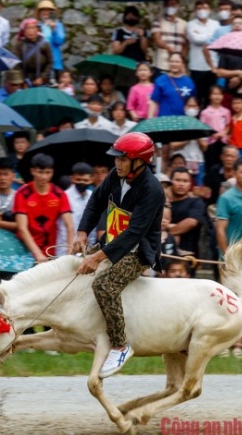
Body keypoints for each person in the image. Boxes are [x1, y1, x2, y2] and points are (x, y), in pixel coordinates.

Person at [72, 132, 166, 378]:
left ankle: (120, 345)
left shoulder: (153, 190)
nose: (117, 163)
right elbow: (95, 202)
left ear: (139, 161)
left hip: (138, 251)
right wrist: (82, 232)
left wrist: (97, 257)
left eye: (123, 159)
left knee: (104, 285)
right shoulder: (116, 175)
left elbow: (134, 234)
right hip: (113, 241)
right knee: (72, 267)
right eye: (116, 158)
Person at [14, 153, 73, 261]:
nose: (44, 176)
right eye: (40, 172)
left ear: (52, 172)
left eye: (48, 172)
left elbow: (69, 225)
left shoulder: (59, 194)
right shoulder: (22, 193)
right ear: (32, 171)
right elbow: (22, 228)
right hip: (25, 250)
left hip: (51, 250)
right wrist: (37, 254)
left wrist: (70, 250)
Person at [215, 157, 242, 255]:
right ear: (234, 173)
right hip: (233, 254)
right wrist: (226, 256)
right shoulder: (226, 198)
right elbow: (220, 229)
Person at [55, 162, 95, 257]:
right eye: (78, 179)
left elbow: (93, 226)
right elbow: (66, 228)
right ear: (72, 178)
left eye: (85, 180)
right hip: (65, 249)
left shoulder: (92, 196)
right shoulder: (65, 196)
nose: (82, 183)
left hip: (86, 250)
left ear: (91, 180)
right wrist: (69, 251)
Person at [168, 167, 207, 260]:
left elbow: (191, 222)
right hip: (164, 252)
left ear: (190, 184)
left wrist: (165, 235)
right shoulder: (163, 202)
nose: (181, 184)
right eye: (178, 180)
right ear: (171, 182)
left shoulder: (196, 202)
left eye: (185, 181)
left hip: (188, 255)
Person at [187, 0, 219, 104]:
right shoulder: (190, 24)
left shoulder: (216, 24)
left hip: (212, 67)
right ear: (195, 10)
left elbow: (217, 39)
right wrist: (211, 35)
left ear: (210, 10)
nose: (202, 11)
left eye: (205, 8)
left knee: (211, 99)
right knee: (196, 98)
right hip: (196, 67)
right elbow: (195, 39)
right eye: (199, 8)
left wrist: (201, 35)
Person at [149, 52, 196, 118]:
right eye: (172, 61)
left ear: (183, 64)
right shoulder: (160, 80)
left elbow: (193, 103)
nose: (174, 64)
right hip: (165, 121)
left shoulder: (189, 82)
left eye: (177, 62)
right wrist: (150, 120)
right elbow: (154, 101)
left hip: (184, 121)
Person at [11, 18, 52, 87]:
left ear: (37, 30)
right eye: (28, 28)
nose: (30, 31)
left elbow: (50, 62)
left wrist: (42, 78)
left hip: (42, 81)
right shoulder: (20, 45)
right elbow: (16, 64)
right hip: (25, 82)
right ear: (24, 32)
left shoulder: (45, 44)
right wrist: (23, 81)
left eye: (33, 28)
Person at [151, 0, 188, 73]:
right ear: (164, 6)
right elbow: (157, 39)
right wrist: (168, 48)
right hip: (162, 64)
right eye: (168, 5)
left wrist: (182, 58)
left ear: (177, 6)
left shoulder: (184, 24)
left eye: (173, 4)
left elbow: (186, 44)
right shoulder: (158, 21)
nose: (170, 7)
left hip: (178, 64)